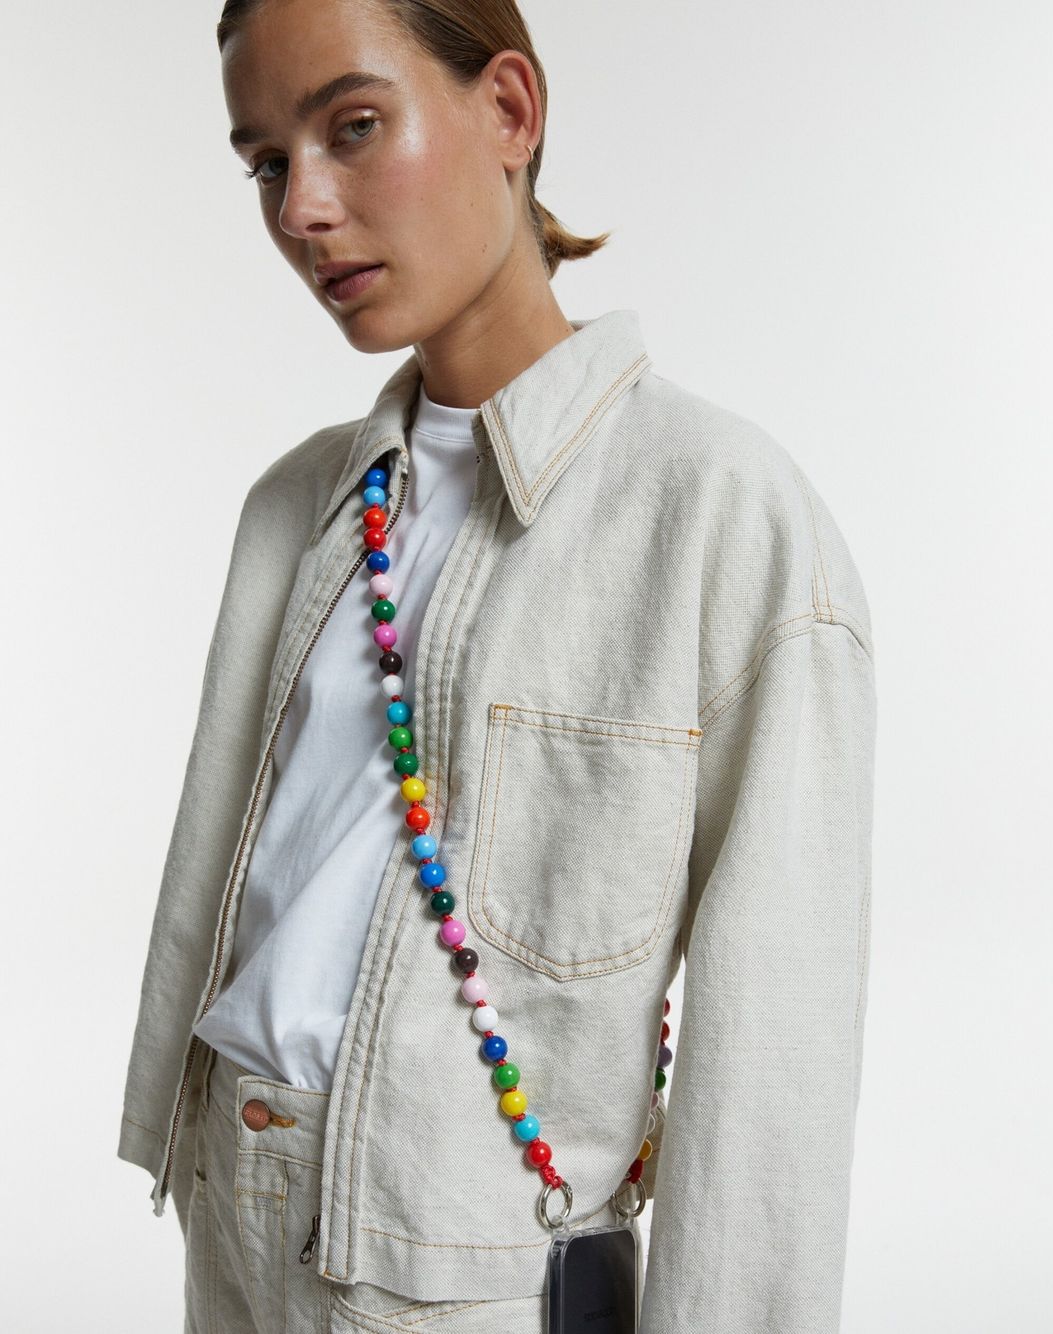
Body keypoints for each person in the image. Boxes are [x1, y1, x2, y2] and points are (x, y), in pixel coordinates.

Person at [116, 2, 877, 1331]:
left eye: (354, 127)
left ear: (510, 110)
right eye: (266, 162)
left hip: (474, 1273)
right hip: (233, 1215)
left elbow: (774, 1062)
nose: (303, 208)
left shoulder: (721, 517)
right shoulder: (298, 508)